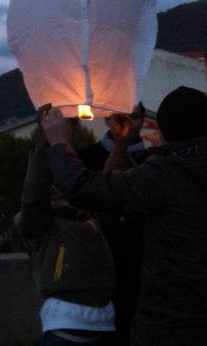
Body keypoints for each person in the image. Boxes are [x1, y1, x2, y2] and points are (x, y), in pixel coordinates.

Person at [40, 87, 207, 346]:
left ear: (164, 133)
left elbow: (81, 187)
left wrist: (58, 141)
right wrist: (120, 148)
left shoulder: (164, 176)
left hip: (171, 328)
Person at [18, 133, 116, 345]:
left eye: (59, 181)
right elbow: (34, 197)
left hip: (104, 325)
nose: (54, 188)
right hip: (65, 331)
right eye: (49, 184)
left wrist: (121, 143)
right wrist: (46, 140)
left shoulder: (90, 217)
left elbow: (109, 184)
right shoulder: (40, 226)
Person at [76, 104, 146, 346]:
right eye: (121, 117)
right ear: (107, 121)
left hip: (141, 262)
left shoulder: (153, 161)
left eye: (134, 116)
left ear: (143, 121)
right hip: (98, 259)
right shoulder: (84, 157)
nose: (127, 123)